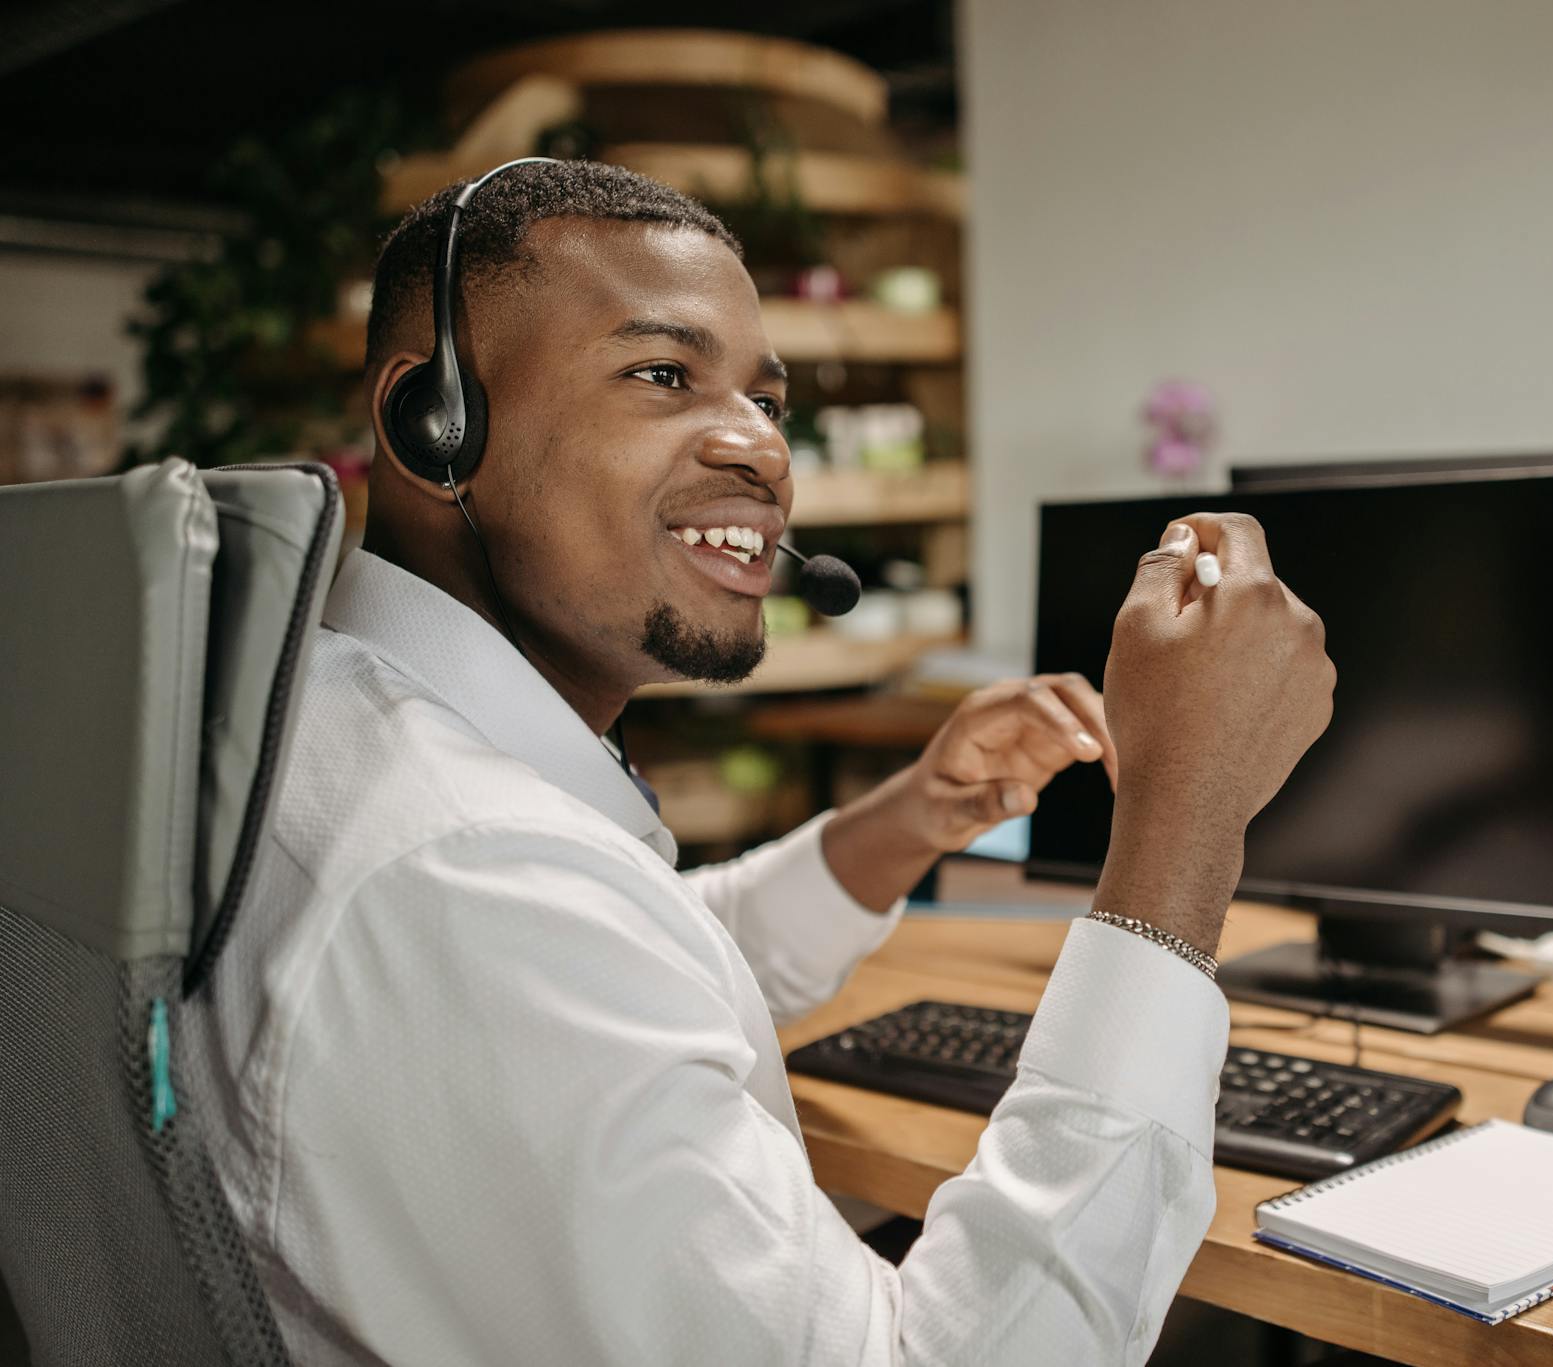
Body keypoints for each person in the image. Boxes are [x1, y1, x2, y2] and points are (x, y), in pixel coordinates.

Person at [186, 159, 1335, 1365]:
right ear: (433, 423)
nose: (759, 450)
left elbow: (636, 951)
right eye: (660, 374)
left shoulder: (352, 728)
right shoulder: (467, 872)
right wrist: (1185, 815)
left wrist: (910, 815)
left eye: (768, 402)